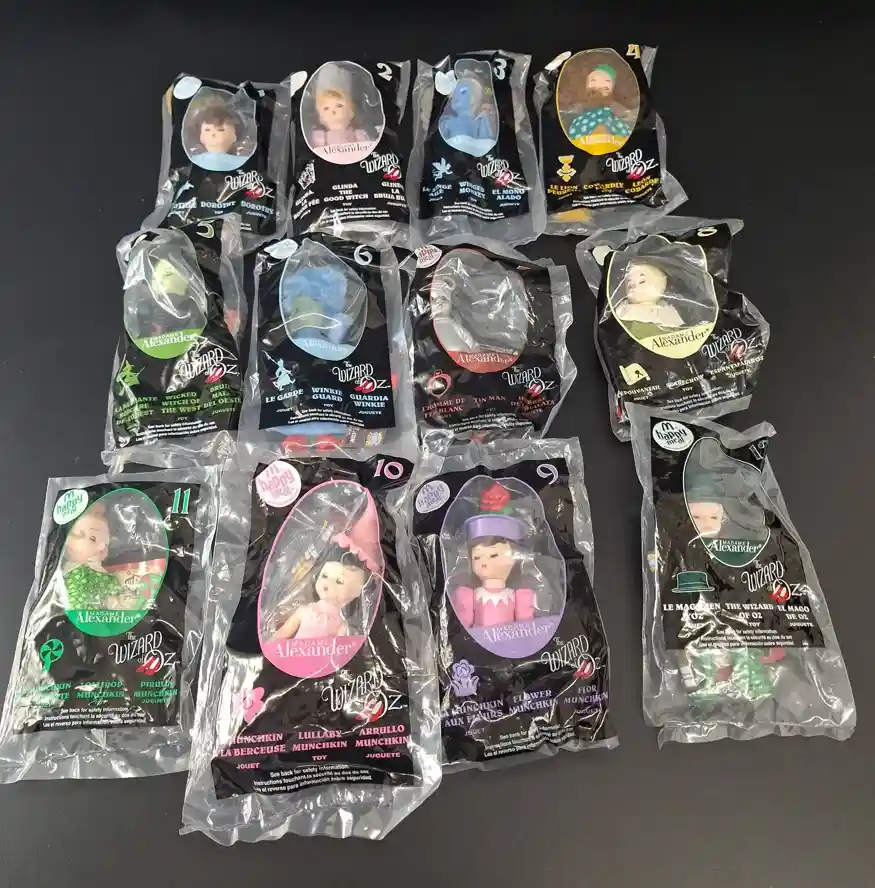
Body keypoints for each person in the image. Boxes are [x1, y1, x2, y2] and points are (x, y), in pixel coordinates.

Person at [452, 482, 536, 628]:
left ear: (514, 556)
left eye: (494, 555)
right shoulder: (472, 595)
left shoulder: (515, 595)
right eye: (477, 557)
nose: (483, 562)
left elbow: (525, 623)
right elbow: (465, 622)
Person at [61, 504, 123, 611]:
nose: (102, 547)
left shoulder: (102, 575)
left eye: (107, 544)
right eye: (92, 539)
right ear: (69, 542)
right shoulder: (62, 576)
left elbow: (113, 597)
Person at [613, 260, 685, 339]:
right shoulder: (624, 310)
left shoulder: (668, 311)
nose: (634, 287)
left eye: (642, 282)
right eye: (629, 285)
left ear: (661, 286)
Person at [566, 62, 634, 145]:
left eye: (606, 81)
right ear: (586, 85)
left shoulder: (613, 105)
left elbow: (625, 114)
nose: (599, 85)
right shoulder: (583, 106)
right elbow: (574, 110)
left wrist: (625, 113)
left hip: (611, 128)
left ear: (612, 86)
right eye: (593, 80)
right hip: (584, 128)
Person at [191, 104, 246, 172]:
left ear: (235, 136)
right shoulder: (193, 164)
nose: (212, 134)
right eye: (207, 130)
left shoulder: (244, 163)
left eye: (220, 130)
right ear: (200, 136)